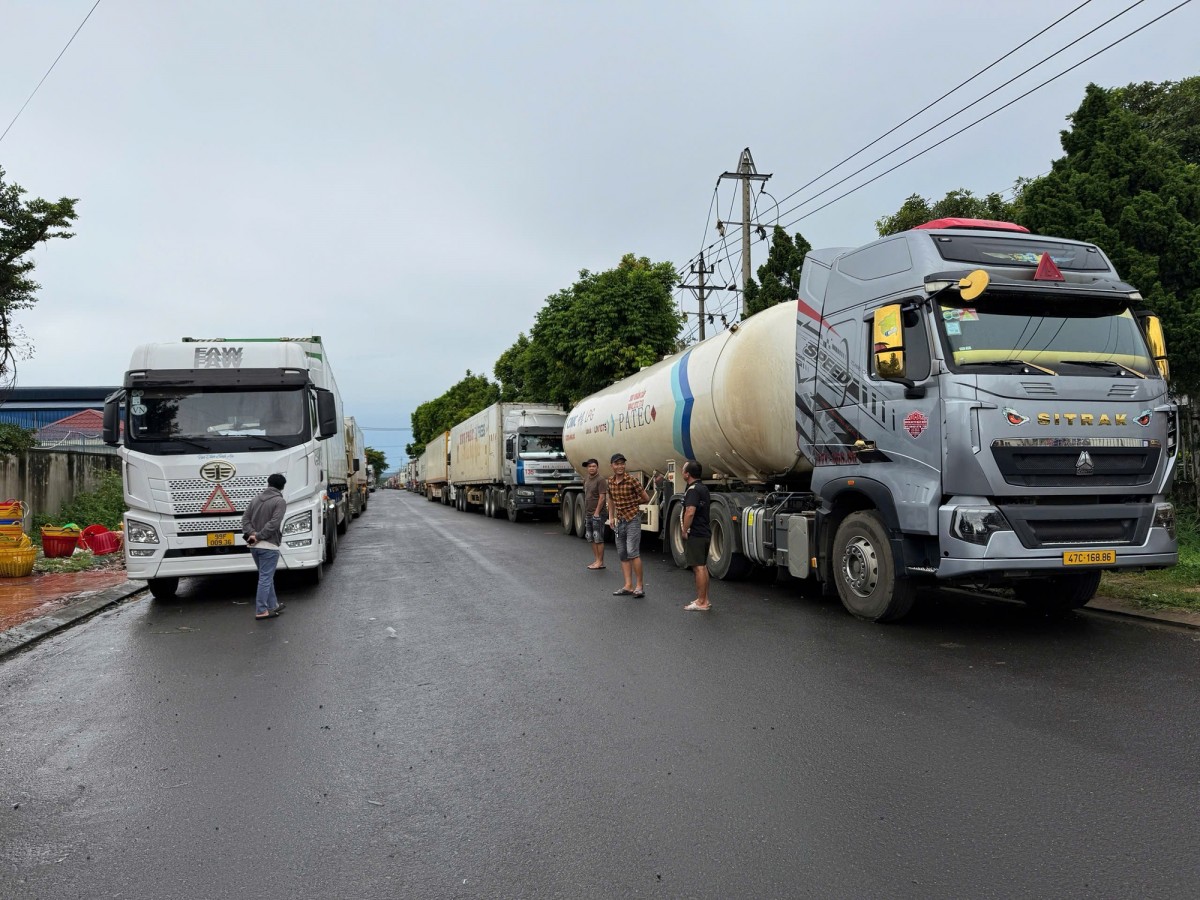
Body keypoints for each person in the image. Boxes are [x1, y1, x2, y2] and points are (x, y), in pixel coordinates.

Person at [242, 473, 287, 620]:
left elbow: (245, 519)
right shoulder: (279, 501)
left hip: (254, 547)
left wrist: (253, 534)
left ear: (268, 484)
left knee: (266, 576)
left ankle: (273, 605)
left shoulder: (256, 499)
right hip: (269, 546)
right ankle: (261, 610)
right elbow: (274, 523)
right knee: (265, 579)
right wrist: (260, 535)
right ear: (282, 487)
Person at [606, 453, 650, 598]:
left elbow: (646, 498)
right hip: (620, 521)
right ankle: (628, 586)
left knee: (633, 552)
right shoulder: (610, 482)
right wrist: (611, 516)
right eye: (617, 464)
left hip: (632, 520)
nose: (620, 466)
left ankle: (639, 586)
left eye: (622, 463)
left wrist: (633, 503)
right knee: (622, 553)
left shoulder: (632, 481)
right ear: (612, 466)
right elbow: (611, 499)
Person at [680, 460, 712, 611]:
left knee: (698, 567)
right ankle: (704, 598)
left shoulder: (692, 490)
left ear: (687, 474)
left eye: (683, 470)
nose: (682, 472)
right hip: (704, 532)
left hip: (696, 533)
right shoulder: (702, 488)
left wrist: (685, 530)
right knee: (702, 567)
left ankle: (701, 602)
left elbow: (690, 512)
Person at [581, 458, 607, 570]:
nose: (591, 468)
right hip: (588, 513)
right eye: (589, 466)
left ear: (597, 467)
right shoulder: (586, 479)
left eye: (593, 466)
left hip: (598, 514)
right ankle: (596, 560)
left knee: (598, 538)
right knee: (590, 537)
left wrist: (597, 512)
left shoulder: (600, 480)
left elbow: (602, 497)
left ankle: (600, 562)